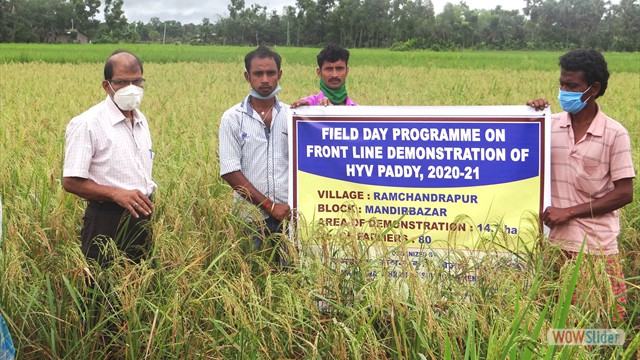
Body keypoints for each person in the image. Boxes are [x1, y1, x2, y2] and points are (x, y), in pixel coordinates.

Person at [527, 49, 635, 321]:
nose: (564, 91)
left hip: (597, 249)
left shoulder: (614, 133)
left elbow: (624, 193)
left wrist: (569, 212)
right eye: (561, 84)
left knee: (603, 326)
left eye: (572, 86)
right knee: (554, 324)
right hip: (553, 246)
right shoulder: (548, 126)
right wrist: (529, 115)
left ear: (594, 89)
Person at [63, 50, 157, 265]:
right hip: (106, 217)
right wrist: (115, 193)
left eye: (137, 81)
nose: (131, 88)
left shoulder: (141, 120)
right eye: (122, 82)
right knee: (101, 288)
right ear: (107, 86)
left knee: (138, 285)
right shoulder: (87, 123)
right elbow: (70, 182)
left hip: (141, 214)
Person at [219, 46, 291, 264]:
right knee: (250, 277)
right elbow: (231, 172)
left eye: (271, 73)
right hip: (249, 218)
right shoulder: (232, 118)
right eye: (258, 74)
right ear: (247, 76)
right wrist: (269, 206)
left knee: (289, 276)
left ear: (280, 74)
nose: (265, 79)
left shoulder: (293, 116)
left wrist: (320, 111)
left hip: (289, 217)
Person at [291, 44, 358, 107]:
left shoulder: (357, 111)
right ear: (319, 72)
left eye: (339, 69)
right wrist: (305, 109)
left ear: (347, 71)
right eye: (329, 69)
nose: (334, 75)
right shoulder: (308, 104)